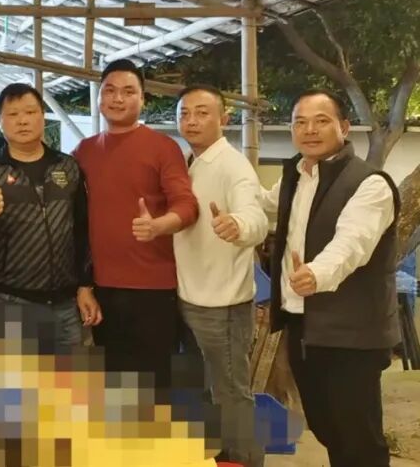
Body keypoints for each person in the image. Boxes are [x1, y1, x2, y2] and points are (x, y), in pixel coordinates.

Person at [262, 89, 398, 467]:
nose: (310, 130)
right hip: (304, 326)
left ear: (344, 127)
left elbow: (352, 242)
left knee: (359, 438)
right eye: (300, 122)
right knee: (326, 427)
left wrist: (316, 274)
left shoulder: (370, 183)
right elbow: (262, 204)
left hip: (353, 333)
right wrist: (233, 217)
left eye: (321, 121)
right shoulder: (295, 177)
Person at [73, 58, 199, 389]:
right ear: (99, 97)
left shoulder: (163, 147)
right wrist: (83, 285)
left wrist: (159, 225)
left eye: (128, 91)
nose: (118, 98)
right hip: (101, 287)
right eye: (109, 90)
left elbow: (187, 206)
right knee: (112, 382)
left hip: (152, 288)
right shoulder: (83, 151)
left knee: (152, 384)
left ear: (143, 99)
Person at [0, 83, 99, 349]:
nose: (22, 120)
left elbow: (82, 229)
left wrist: (85, 285)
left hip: (65, 303)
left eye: (30, 112)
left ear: (42, 116)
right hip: (11, 301)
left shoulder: (68, 166)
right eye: (12, 114)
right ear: (0, 120)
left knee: (68, 374)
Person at [173, 85, 268, 467]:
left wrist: (238, 225)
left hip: (223, 306)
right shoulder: (187, 161)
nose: (192, 121)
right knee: (204, 394)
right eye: (184, 114)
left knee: (231, 396)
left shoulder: (233, 165)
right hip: (187, 297)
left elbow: (255, 216)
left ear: (224, 119)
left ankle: (246, 460)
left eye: (202, 113)